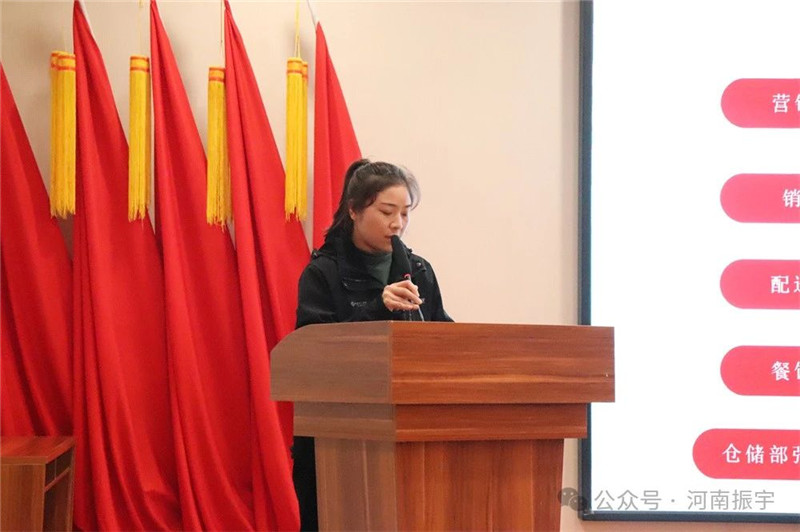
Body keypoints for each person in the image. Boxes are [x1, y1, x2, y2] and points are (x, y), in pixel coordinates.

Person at [293, 159, 452, 530]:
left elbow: (442, 337)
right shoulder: (322, 272)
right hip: (335, 440)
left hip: (410, 434)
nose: (398, 224)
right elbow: (313, 356)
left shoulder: (419, 270)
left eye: (405, 213)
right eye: (386, 212)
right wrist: (378, 307)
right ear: (354, 210)